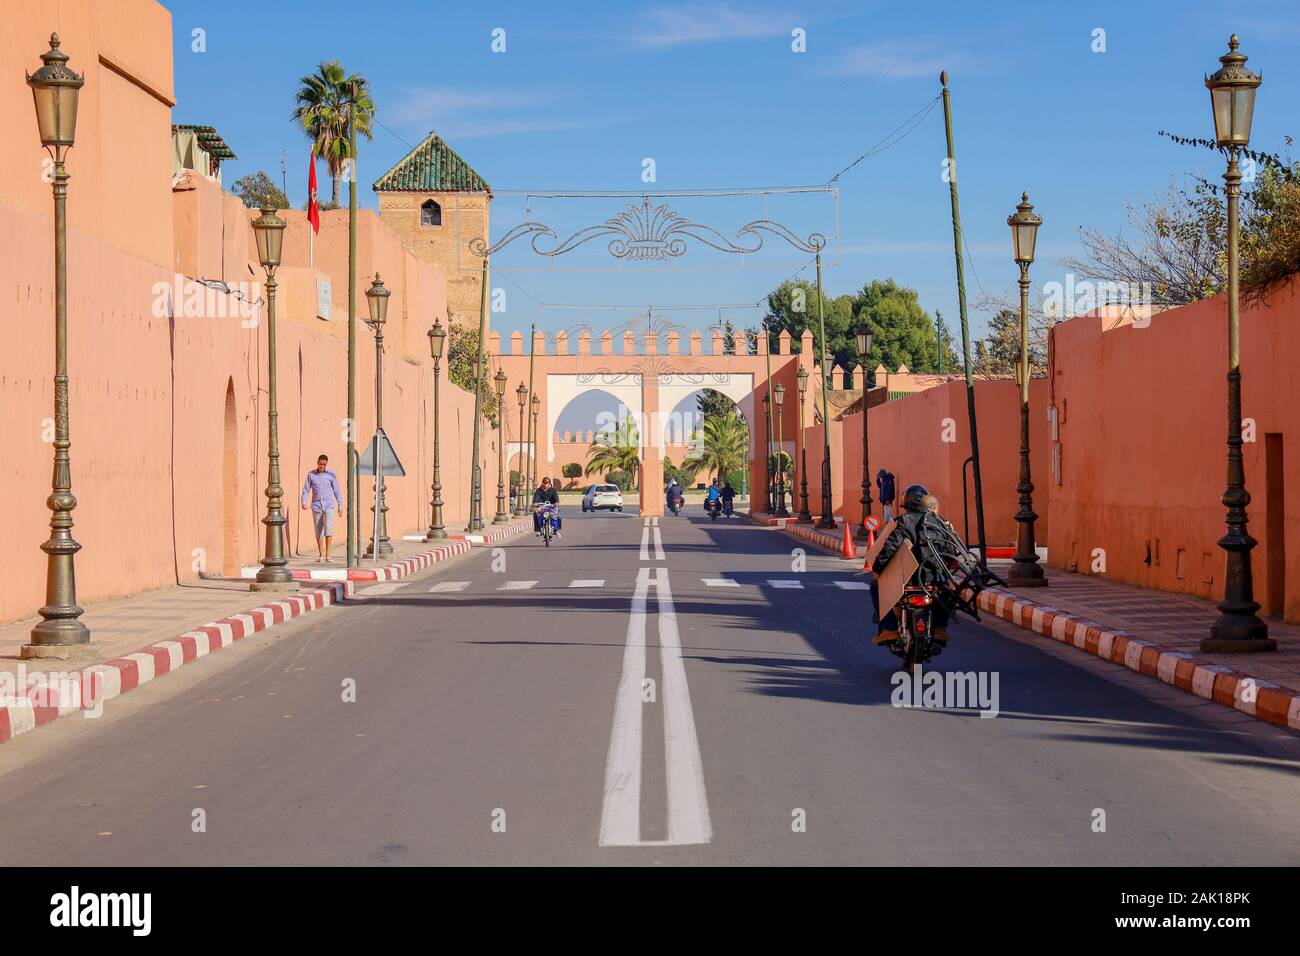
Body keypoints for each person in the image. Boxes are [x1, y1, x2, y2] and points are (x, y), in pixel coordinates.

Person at [869, 483, 952, 646]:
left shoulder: (904, 521)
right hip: (933, 577)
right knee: (947, 591)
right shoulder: (940, 523)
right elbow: (948, 550)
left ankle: (889, 628)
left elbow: (890, 547)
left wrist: (878, 569)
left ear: (906, 503)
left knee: (875, 587)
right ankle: (940, 627)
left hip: (907, 579)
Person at [300, 454, 343, 563]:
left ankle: (328, 554)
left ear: (326, 464)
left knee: (329, 528)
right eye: (320, 464)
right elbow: (306, 489)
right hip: (316, 506)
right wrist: (303, 501)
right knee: (318, 530)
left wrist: (340, 506)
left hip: (329, 505)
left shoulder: (331, 475)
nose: (322, 466)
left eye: (324, 464)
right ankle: (321, 554)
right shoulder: (311, 475)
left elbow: (337, 490)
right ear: (317, 463)